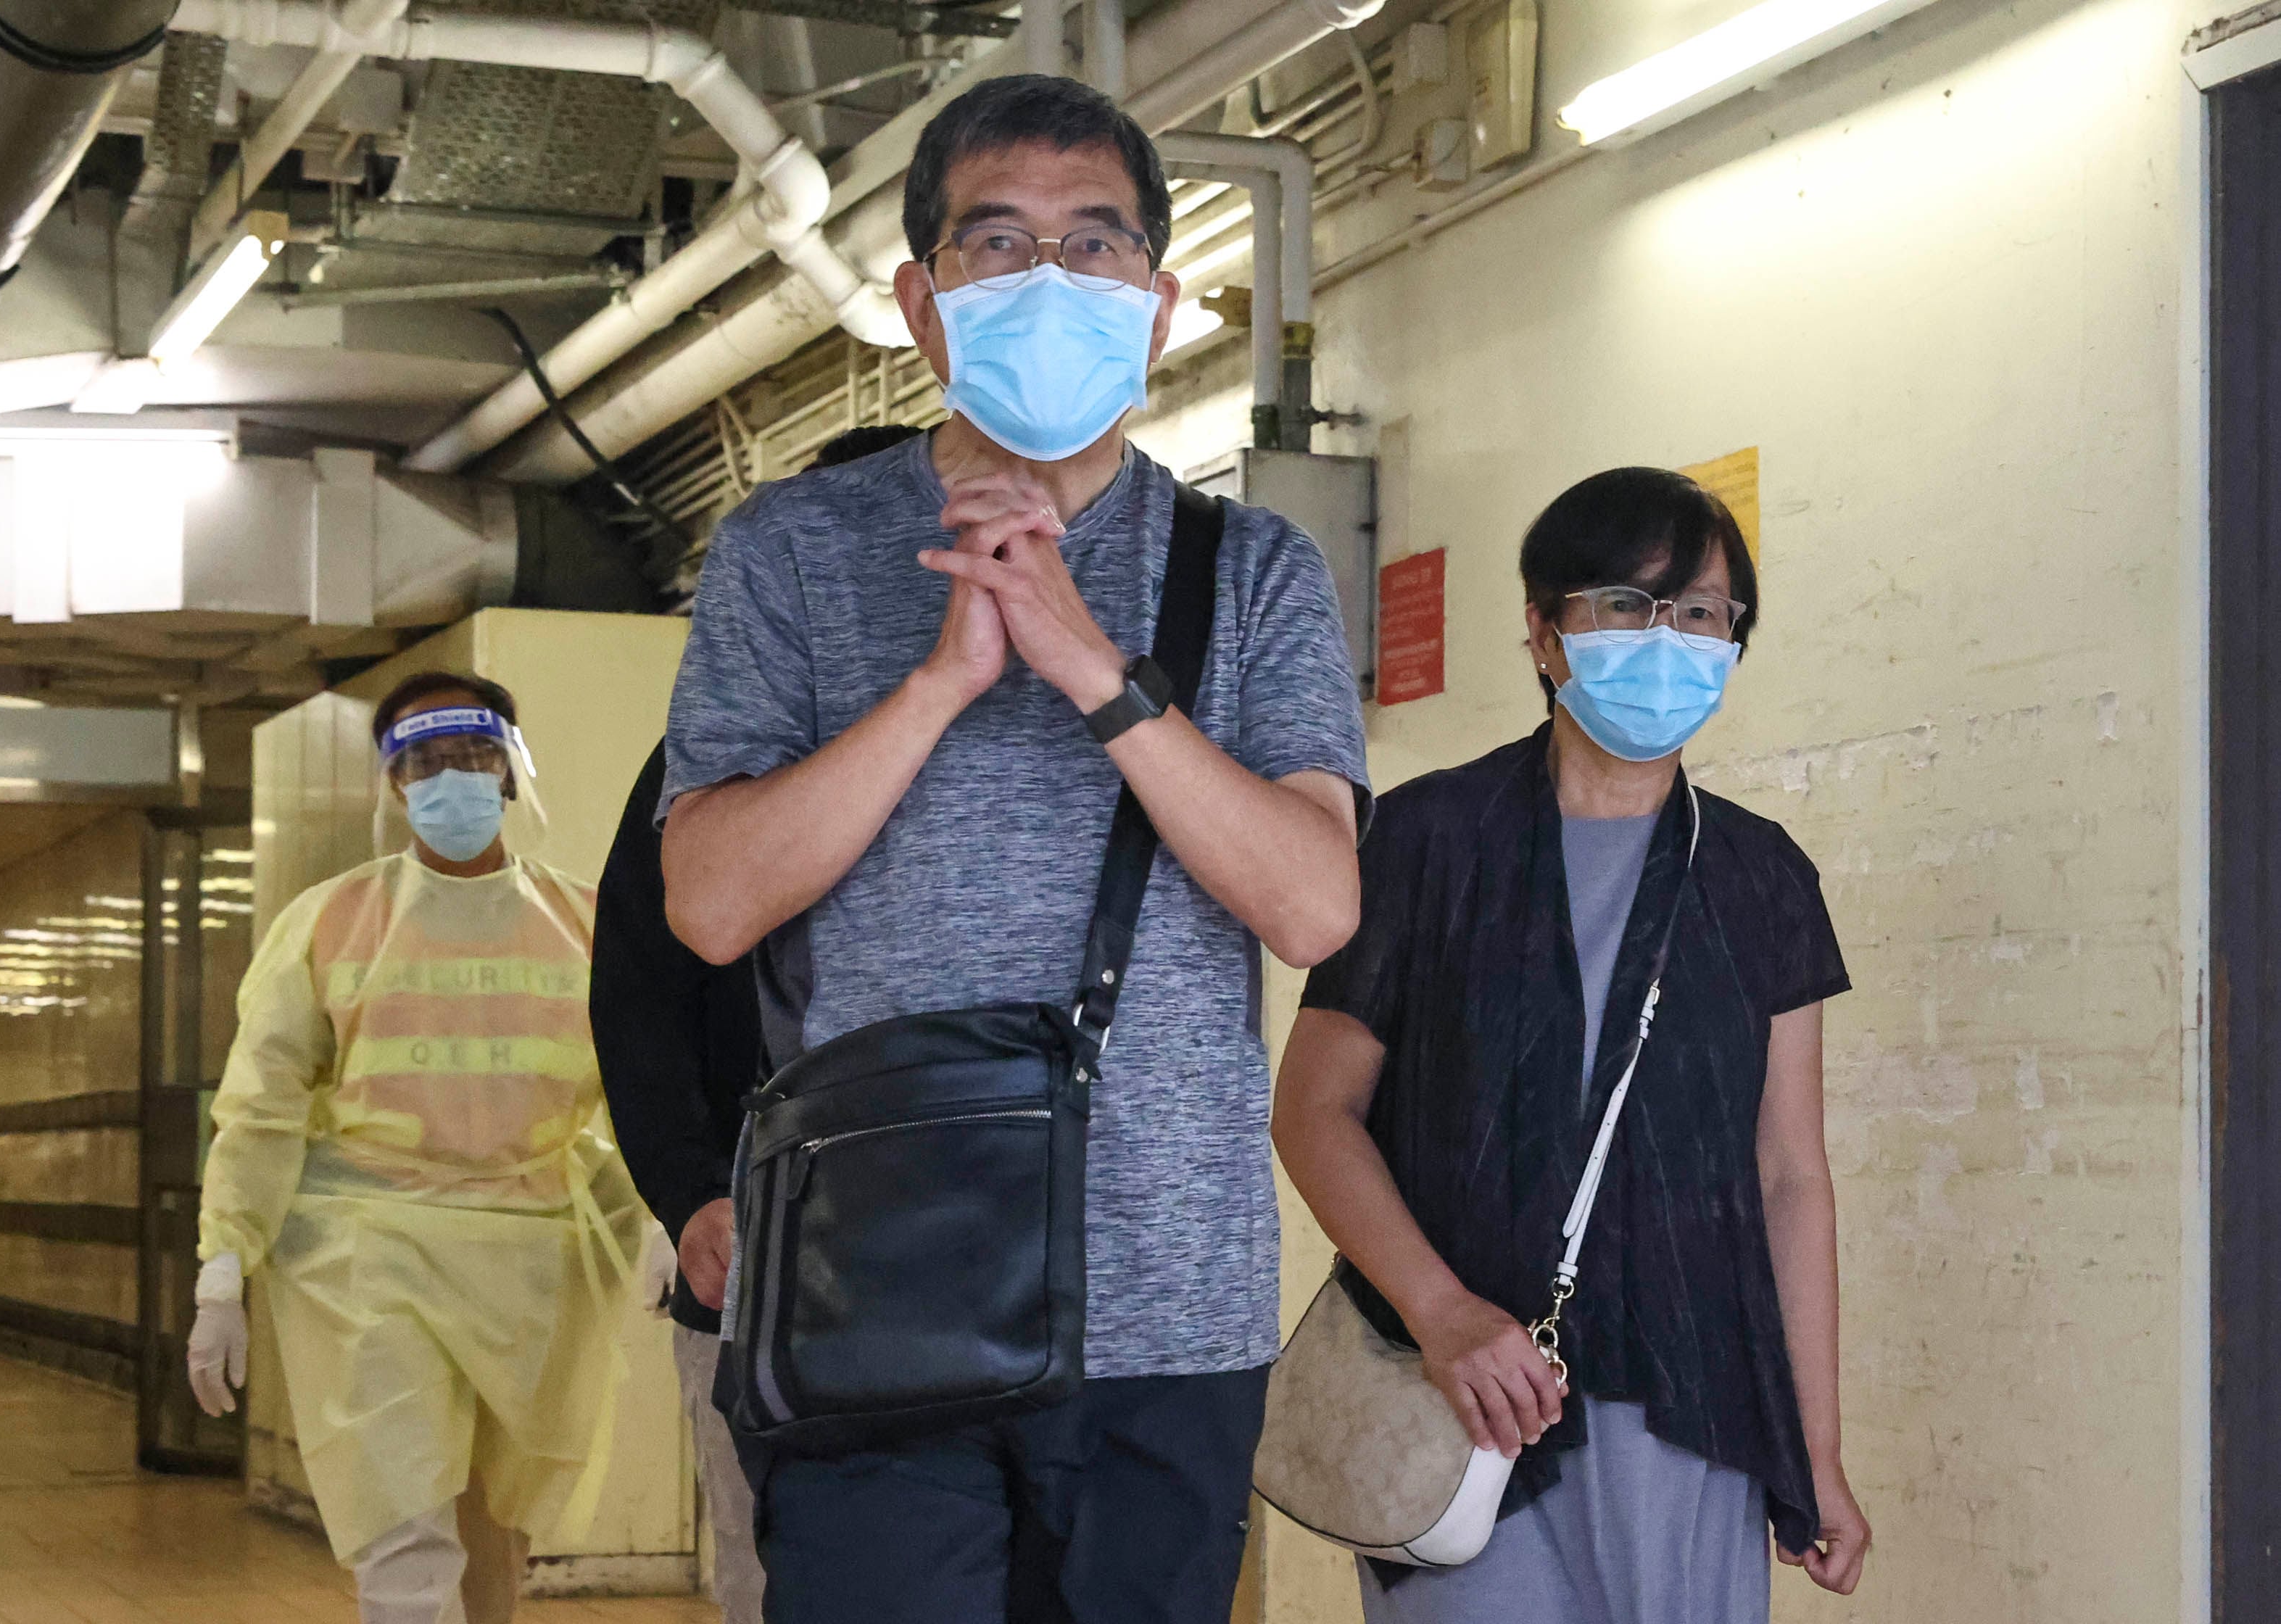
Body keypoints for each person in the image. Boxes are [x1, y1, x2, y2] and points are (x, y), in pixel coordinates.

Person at [655, 72, 1372, 1624]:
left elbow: (1313, 904)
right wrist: (935, 687)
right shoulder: (787, 552)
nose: (1052, 281)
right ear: (920, 302)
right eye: (998, 244)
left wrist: (1094, 673)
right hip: (874, 1281)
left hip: (1168, 1303)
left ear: (1161, 301)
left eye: (1095, 246)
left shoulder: (1249, 571)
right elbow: (708, 905)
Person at [1273, 468, 1873, 1623]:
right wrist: (1442, 1312)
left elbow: (1790, 1174)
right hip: (1461, 1407)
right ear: (1546, 635)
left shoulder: (1760, 878)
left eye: (1701, 613)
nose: (1669, 638)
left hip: (1691, 1408)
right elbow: (1315, 1111)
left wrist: (1818, 1451)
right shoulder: (1426, 841)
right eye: (1625, 605)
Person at [186, 671, 653, 1624]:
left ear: (513, 773)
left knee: (498, 1528)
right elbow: (263, 1100)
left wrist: (665, 1219)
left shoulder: (592, 927)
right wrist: (223, 1263)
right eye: (425, 762)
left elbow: (647, 1095)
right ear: (394, 785)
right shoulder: (328, 923)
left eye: (474, 758)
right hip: (370, 1253)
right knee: (402, 1523)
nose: (452, 781)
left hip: (537, 1264)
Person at [591, 422, 924, 1624]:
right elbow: (638, 1000)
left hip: (991, 1256)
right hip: (762, 1257)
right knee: (773, 1572)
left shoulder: (1027, 750)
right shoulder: (697, 776)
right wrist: (688, 1194)